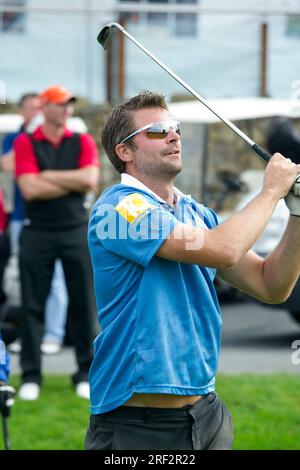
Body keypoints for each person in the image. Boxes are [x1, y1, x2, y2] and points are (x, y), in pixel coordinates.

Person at [85, 91, 300, 450]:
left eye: (175, 128)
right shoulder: (118, 211)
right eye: (157, 130)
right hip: (137, 422)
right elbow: (224, 250)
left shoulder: (197, 213)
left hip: (205, 413)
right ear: (125, 152)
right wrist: (271, 192)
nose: (173, 135)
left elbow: (271, 285)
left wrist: (296, 212)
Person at [14, 85, 100, 400]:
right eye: (60, 104)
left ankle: (84, 373)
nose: (66, 110)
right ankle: (31, 376)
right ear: (45, 107)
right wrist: (70, 179)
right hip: (37, 230)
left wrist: (45, 174)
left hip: (75, 229)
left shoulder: (82, 141)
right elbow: (29, 189)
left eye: (69, 105)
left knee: (83, 304)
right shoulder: (26, 141)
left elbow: (89, 181)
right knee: (32, 304)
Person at [0, 93, 68, 355]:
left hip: (52, 219)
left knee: (56, 278)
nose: (38, 113)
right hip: (21, 217)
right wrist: (27, 137)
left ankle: (53, 334)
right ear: (21, 111)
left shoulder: (51, 138)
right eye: (33, 108)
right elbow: (7, 166)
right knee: (26, 279)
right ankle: (30, 335)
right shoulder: (16, 138)